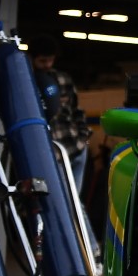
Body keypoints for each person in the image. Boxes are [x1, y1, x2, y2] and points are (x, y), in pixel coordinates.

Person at [28, 33, 92, 194]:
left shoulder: (63, 79)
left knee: (74, 200)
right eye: (43, 61)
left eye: (51, 60)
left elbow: (77, 110)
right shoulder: (26, 83)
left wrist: (84, 136)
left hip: (76, 146)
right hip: (53, 153)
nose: (47, 65)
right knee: (60, 200)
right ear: (32, 58)